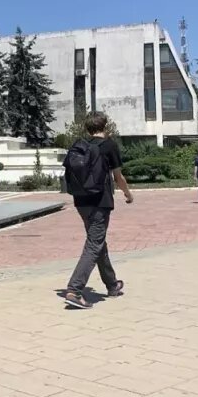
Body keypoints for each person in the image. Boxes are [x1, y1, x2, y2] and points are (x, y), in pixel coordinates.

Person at [63, 112, 133, 309]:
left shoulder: (81, 146)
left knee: (98, 242)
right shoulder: (109, 145)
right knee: (94, 244)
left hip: (81, 201)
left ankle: (112, 285)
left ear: (87, 128)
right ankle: (75, 290)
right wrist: (128, 194)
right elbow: (118, 176)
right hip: (100, 201)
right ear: (106, 125)